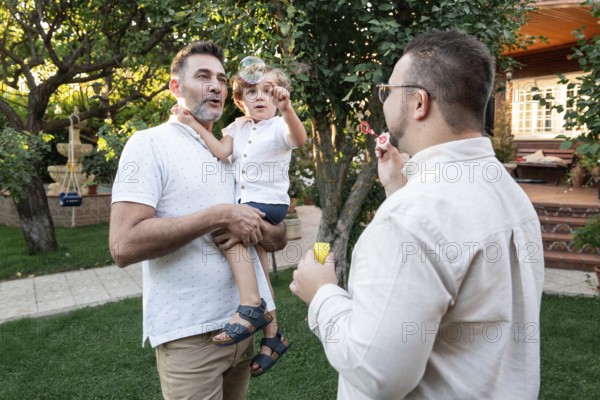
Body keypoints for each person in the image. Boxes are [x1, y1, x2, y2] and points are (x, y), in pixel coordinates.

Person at [289, 30, 544, 399]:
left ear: (418, 102)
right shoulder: (507, 192)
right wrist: (398, 188)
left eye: (388, 91)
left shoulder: (411, 218)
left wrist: (323, 293)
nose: (384, 101)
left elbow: (375, 372)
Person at [109, 41, 287, 400]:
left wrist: (263, 228)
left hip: (242, 331)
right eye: (203, 76)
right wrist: (219, 216)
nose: (216, 86)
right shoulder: (148, 144)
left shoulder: (235, 147)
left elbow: (278, 236)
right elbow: (122, 245)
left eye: (221, 79)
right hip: (190, 337)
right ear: (176, 87)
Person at [173, 63, 306, 376]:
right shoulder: (236, 127)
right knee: (257, 265)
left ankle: (250, 305)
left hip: (267, 205)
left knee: (224, 229)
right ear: (239, 100)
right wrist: (191, 122)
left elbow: (298, 139)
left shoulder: (279, 126)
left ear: (278, 97)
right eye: (251, 91)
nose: (259, 97)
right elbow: (220, 151)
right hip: (245, 202)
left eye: (268, 91)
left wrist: (287, 110)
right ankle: (273, 335)